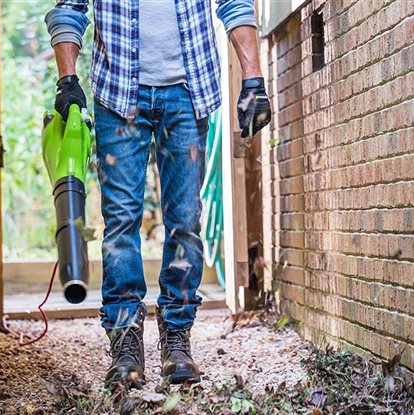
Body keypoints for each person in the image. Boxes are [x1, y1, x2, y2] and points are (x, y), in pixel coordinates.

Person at [45, 0, 271, 390]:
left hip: (187, 93)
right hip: (118, 95)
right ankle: (126, 346)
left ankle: (177, 341)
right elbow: (70, 9)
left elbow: (234, 3)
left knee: (185, 221)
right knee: (120, 222)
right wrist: (67, 79)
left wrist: (253, 78)